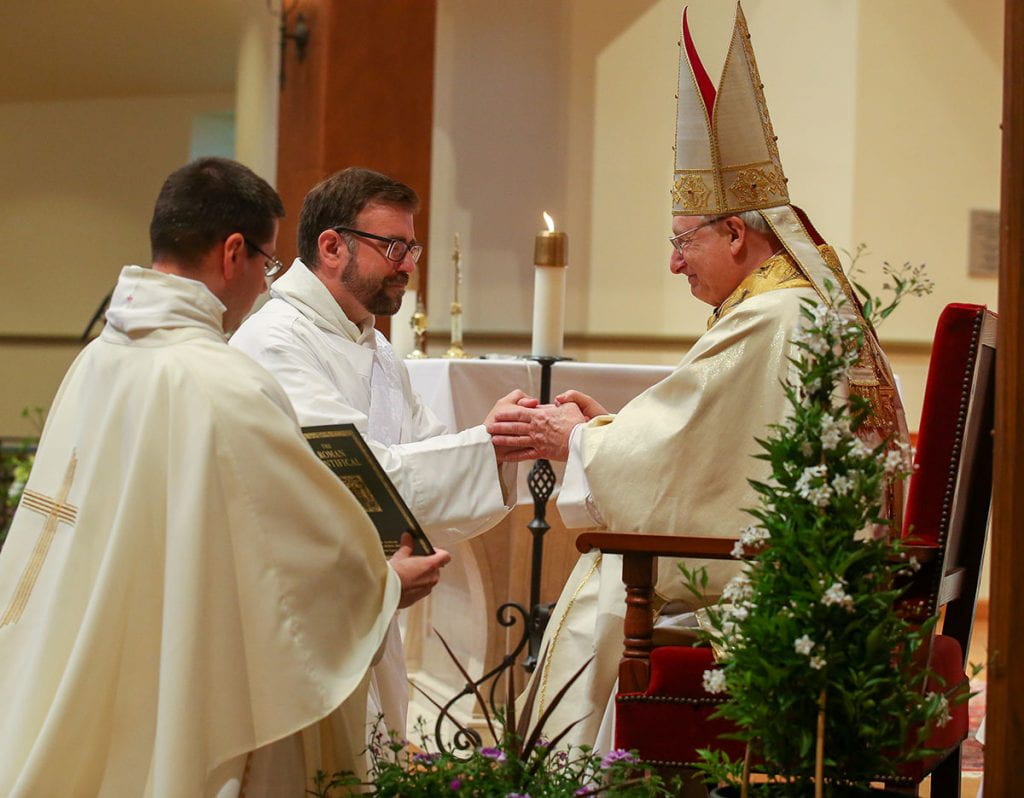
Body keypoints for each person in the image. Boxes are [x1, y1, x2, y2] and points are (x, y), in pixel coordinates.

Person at [489, 4, 909, 752]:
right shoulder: (797, 305)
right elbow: (719, 455)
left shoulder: (775, 318)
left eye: (683, 242)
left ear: (737, 234)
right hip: (821, 575)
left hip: (784, 598)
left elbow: (686, 469)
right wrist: (606, 433)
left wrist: (577, 440)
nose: (675, 263)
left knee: (607, 602)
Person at [0, 157, 450, 797]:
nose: (267, 285)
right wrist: (381, 586)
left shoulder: (99, 359)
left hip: (102, 645)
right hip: (181, 662)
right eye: (268, 264)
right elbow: (293, 551)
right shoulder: (222, 384)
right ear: (233, 252)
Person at [230, 166, 528, 736]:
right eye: (393, 245)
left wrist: (495, 442)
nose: (409, 264)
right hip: (304, 615)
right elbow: (354, 478)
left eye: (412, 247)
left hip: (366, 607)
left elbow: (424, 448)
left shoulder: (374, 345)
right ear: (332, 245)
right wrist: (485, 450)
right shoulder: (277, 341)